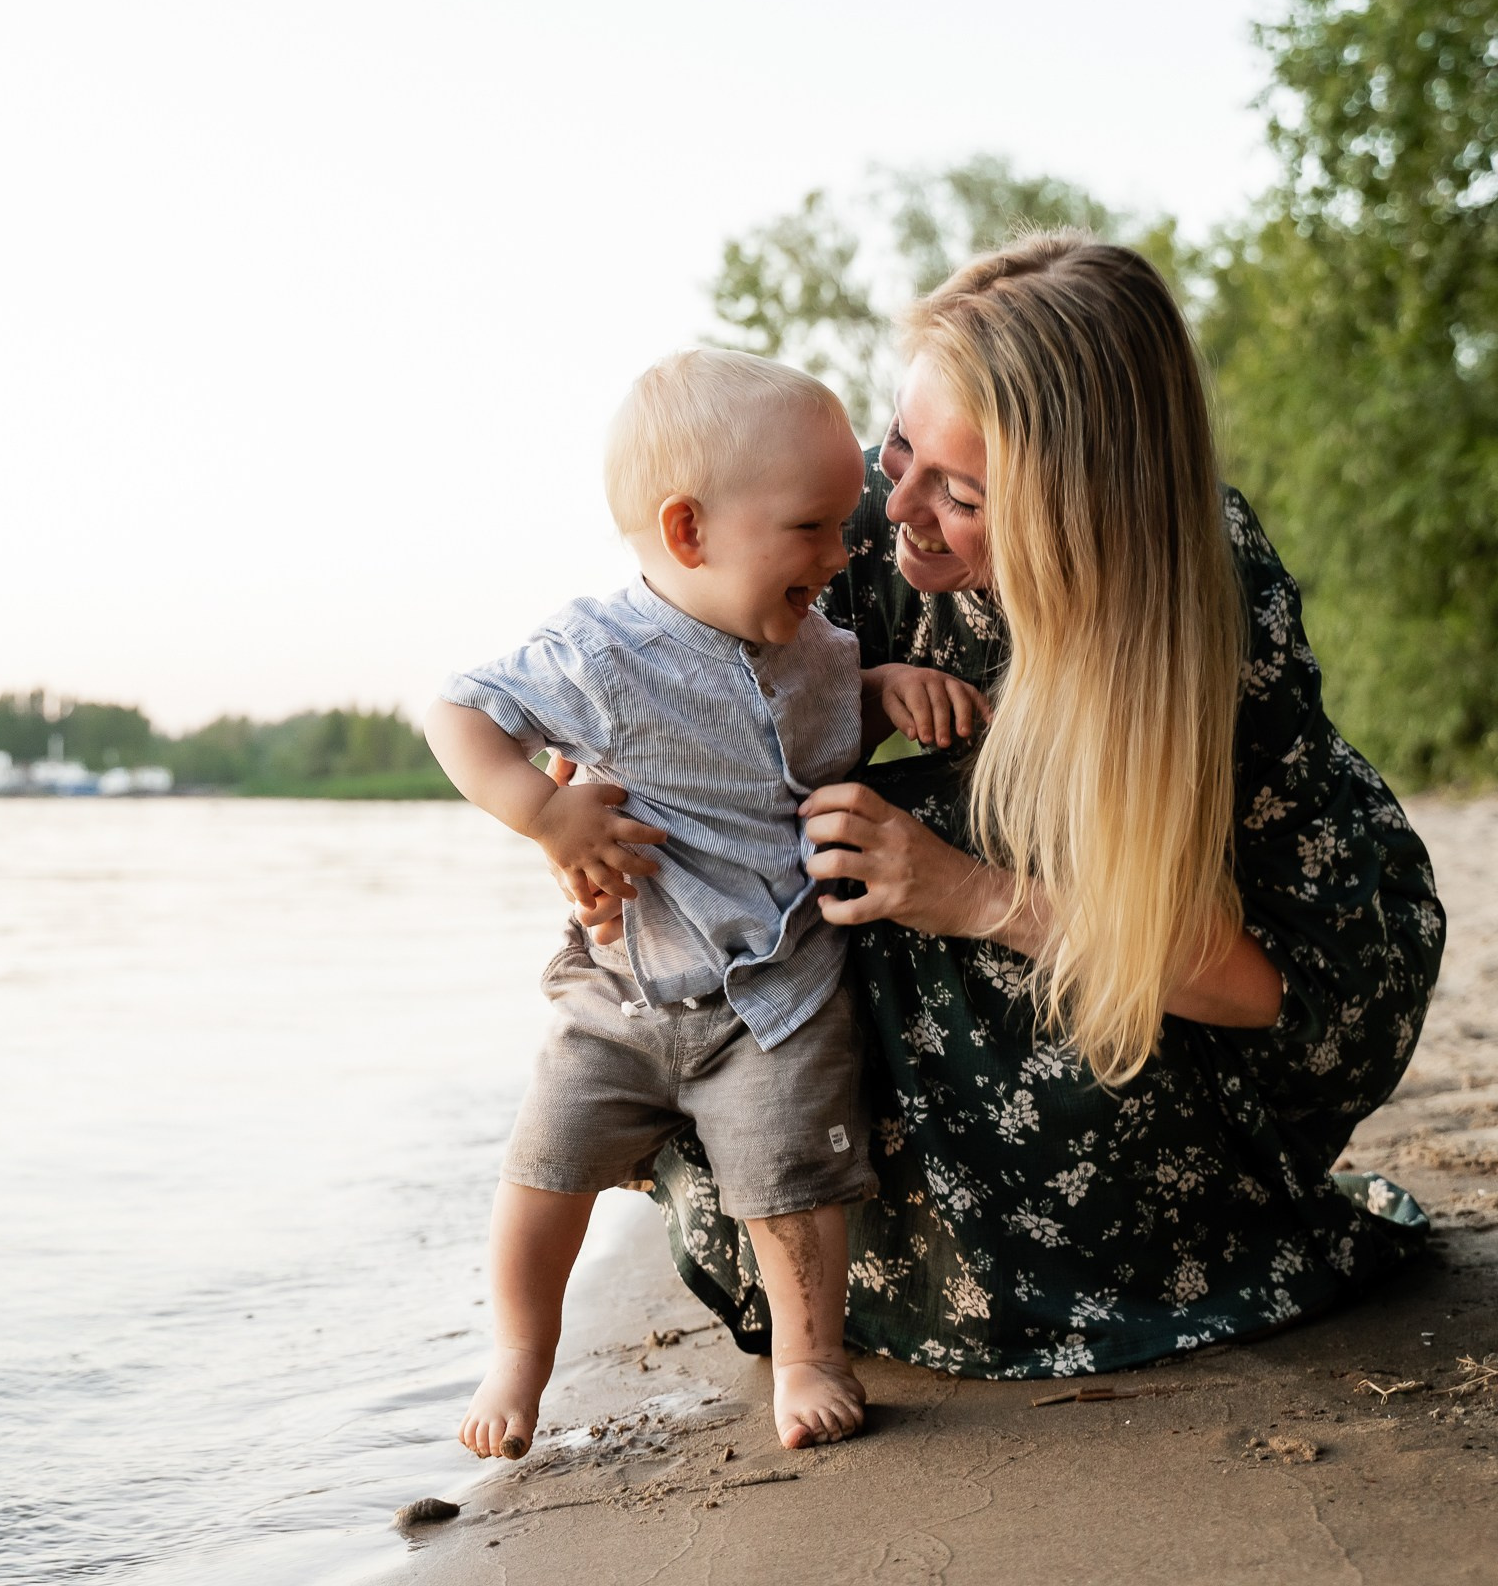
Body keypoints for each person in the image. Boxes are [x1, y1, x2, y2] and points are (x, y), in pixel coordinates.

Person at [586, 236, 1444, 1378]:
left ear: (1076, 513)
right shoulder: (869, 510)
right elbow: (673, 674)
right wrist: (601, 824)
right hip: (1076, 932)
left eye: (960, 493)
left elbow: (1253, 982)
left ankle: (1098, 1237)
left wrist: (964, 893)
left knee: (900, 839)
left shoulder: (1194, 595)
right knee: (770, 877)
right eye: (900, 444)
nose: (897, 504)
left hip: (1268, 996)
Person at [424, 348, 989, 1452]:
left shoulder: (817, 647)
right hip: (623, 994)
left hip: (775, 994)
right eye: (812, 529)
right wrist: (546, 816)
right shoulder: (598, 652)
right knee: (544, 1170)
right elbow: (458, 714)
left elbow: (826, 717)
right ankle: (520, 1355)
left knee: (796, 1182)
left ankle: (808, 1357)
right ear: (688, 532)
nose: (842, 552)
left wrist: (885, 689)